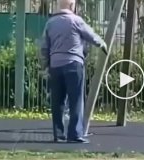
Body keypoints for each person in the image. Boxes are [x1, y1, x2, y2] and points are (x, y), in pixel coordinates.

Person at [39, 0, 107, 144]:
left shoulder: (50, 23)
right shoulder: (76, 21)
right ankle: (74, 134)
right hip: (73, 64)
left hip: (55, 65)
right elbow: (91, 36)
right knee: (75, 100)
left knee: (57, 102)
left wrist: (45, 65)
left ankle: (58, 134)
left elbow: (44, 47)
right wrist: (102, 44)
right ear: (72, 5)